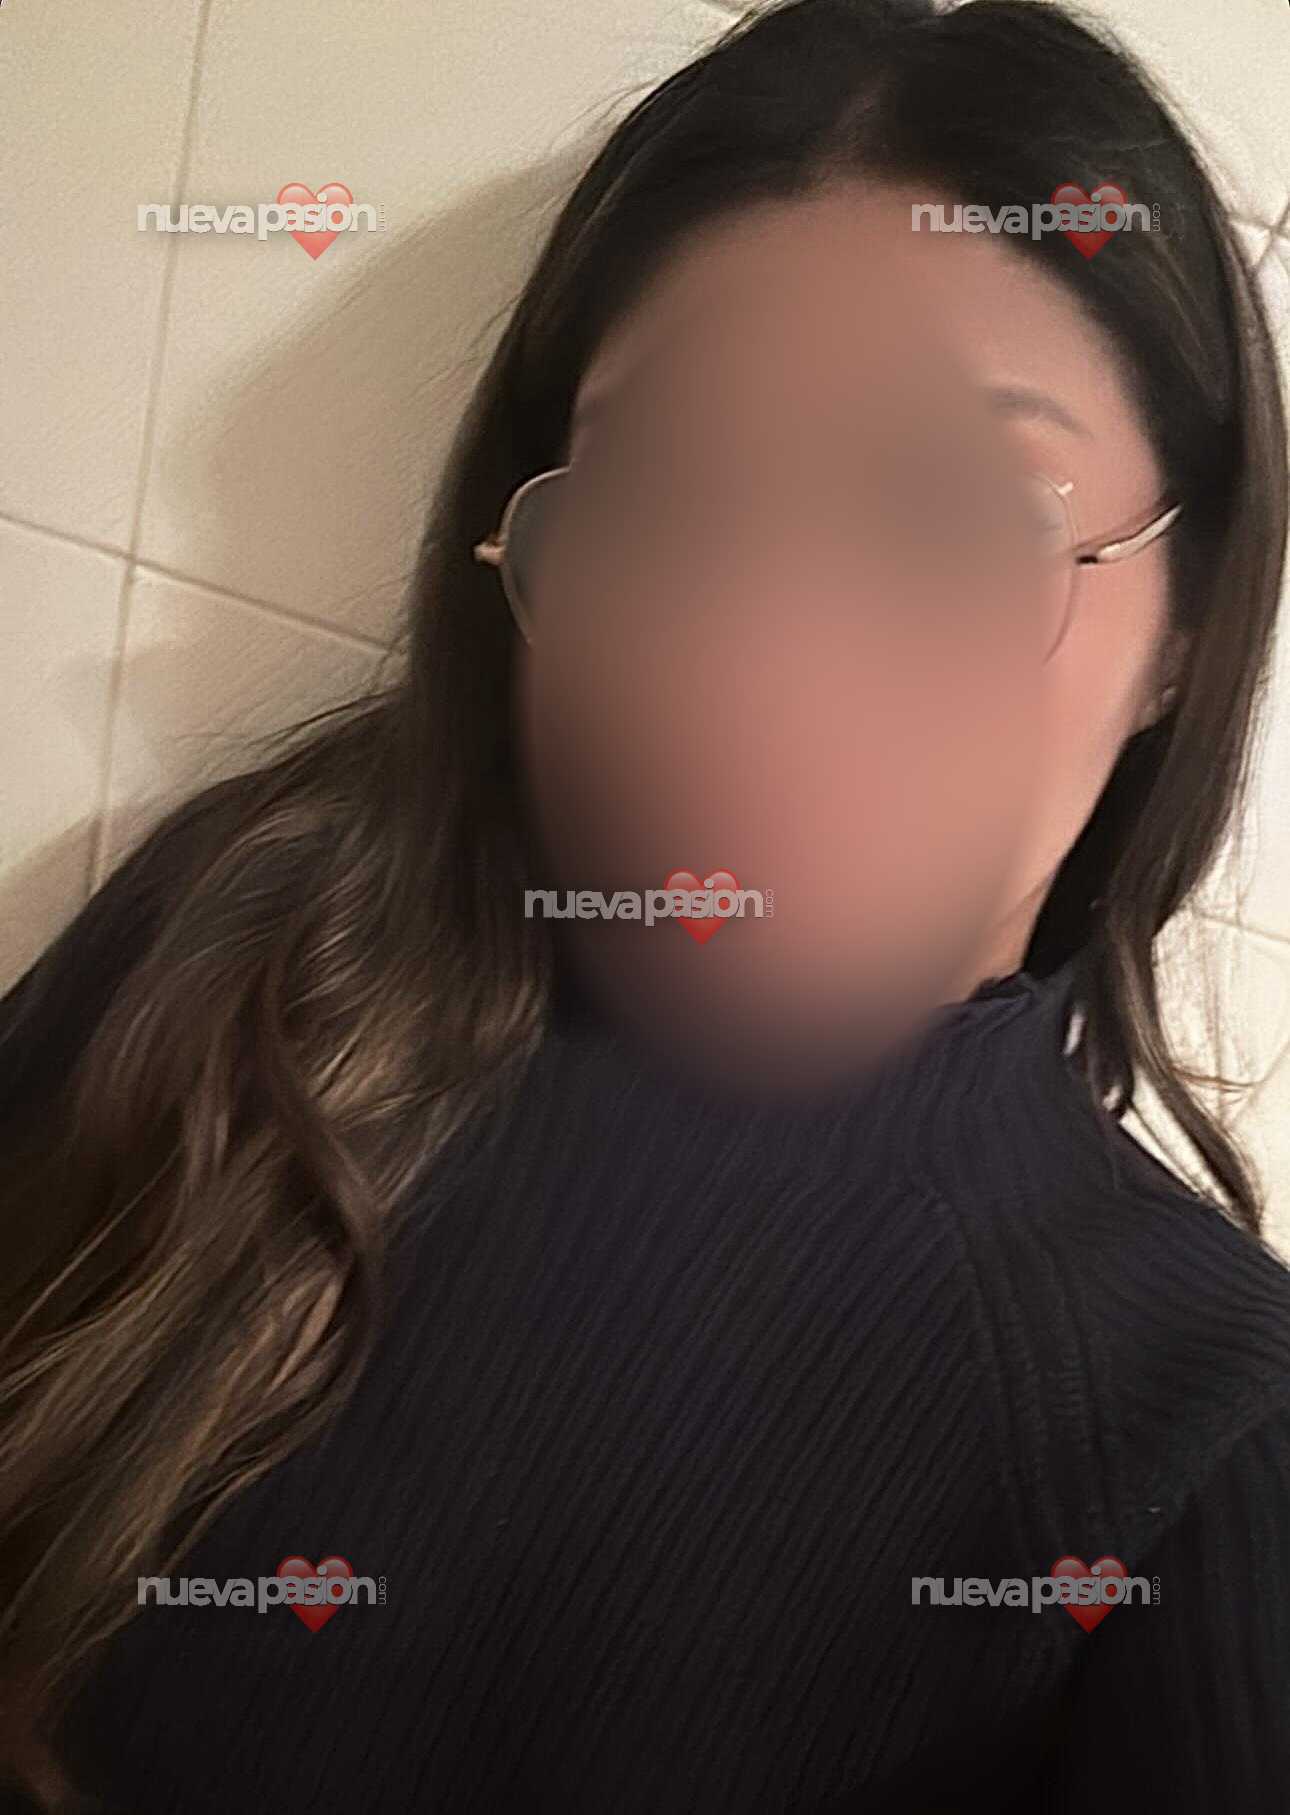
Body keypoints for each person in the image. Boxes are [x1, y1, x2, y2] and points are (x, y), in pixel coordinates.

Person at [2, 0, 1289, 1809]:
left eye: (947, 511)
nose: (750, 668)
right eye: (656, 493)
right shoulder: (265, 943)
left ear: (1182, 630)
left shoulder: (1199, 1441)